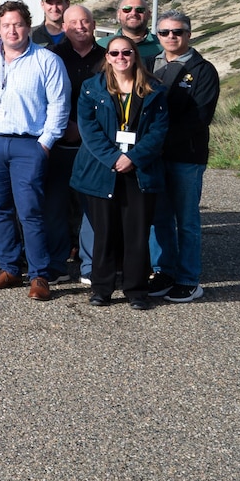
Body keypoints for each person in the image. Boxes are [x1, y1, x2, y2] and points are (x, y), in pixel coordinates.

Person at [0, 0, 70, 300]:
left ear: (27, 26)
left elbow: (59, 105)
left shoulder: (46, 60)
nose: (11, 30)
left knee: (30, 211)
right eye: (6, 24)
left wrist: (45, 143)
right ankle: (9, 268)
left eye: (17, 24)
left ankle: (39, 275)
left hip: (28, 145)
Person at [72, 36, 165, 310]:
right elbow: (89, 130)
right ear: (108, 57)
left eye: (126, 52)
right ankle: (102, 288)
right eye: (115, 53)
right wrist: (114, 158)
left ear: (135, 55)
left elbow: (158, 132)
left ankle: (136, 289)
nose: (121, 57)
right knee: (105, 232)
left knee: (136, 232)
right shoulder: (91, 88)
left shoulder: (154, 89)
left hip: (139, 171)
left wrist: (133, 158)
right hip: (103, 169)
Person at [148, 10, 215, 303]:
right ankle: (163, 272)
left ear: (189, 34)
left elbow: (199, 117)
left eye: (178, 31)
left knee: (186, 220)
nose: (171, 37)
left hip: (186, 158)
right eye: (165, 32)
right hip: (155, 156)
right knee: (158, 217)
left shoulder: (203, 70)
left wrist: (159, 141)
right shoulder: (150, 65)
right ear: (157, 36)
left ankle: (188, 279)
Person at [46, 2, 104, 283]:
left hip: (94, 147)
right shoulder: (50, 57)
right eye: (74, 23)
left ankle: (90, 266)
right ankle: (56, 265)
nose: (81, 27)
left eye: (86, 22)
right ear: (64, 27)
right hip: (57, 144)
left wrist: (83, 129)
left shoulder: (109, 57)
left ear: (93, 25)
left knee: (90, 209)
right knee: (54, 208)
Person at [113, 0, 163, 64]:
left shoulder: (163, 46)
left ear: (149, 14)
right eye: (127, 9)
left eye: (140, 10)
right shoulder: (102, 45)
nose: (133, 13)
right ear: (118, 14)